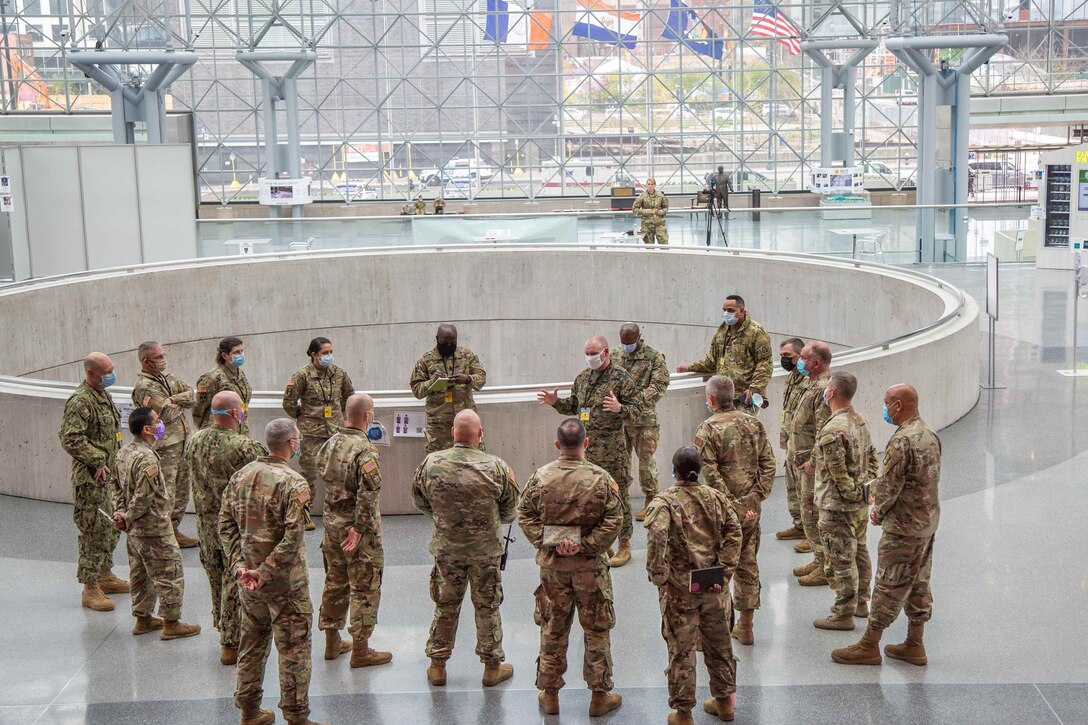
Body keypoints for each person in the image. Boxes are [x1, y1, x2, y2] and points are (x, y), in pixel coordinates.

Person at [219, 419, 324, 725]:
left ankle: (249, 711)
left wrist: (240, 567)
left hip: (248, 581)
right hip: (285, 583)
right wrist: (265, 571)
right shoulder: (294, 483)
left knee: (252, 642)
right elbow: (293, 538)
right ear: (292, 444)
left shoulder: (240, 477)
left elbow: (225, 526)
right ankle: (296, 716)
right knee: (294, 647)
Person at [518, 419, 624, 717]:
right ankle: (599, 698)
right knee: (597, 631)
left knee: (553, 628)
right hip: (591, 571)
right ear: (586, 443)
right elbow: (615, 520)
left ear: (557, 445)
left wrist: (552, 541)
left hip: (553, 570)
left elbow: (524, 515)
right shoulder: (602, 479)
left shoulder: (540, 477)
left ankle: (550, 695)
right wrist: (585, 544)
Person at [833, 384, 941, 666]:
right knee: (918, 581)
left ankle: (869, 644)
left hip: (903, 527)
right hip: (926, 523)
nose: (884, 408)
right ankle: (915, 643)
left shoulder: (902, 441)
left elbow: (890, 485)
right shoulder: (929, 434)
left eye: (885, 403)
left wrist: (878, 511)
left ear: (898, 405)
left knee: (888, 584)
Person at [412, 410, 519, 687]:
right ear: (480, 434)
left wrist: (446, 519)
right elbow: (509, 511)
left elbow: (421, 502)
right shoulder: (496, 466)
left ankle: (437, 666)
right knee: (487, 607)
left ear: (452, 433)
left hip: (447, 549)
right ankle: (492, 667)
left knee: (445, 605)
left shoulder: (431, 463)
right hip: (486, 552)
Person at [644, 446, 743, 725]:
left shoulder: (664, 503)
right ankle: (725, 704)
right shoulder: (717, 498)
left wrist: (660, 578)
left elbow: (656, 539)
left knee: (682, 650)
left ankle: (684, 713)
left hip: (680, 591)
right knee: (720, 645)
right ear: (699, 470)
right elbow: (735, 532)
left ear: (673, 470)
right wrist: (723, 574)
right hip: (714, 587)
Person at [537, 336, 644, 567]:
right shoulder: (583, 378)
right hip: (586, 452)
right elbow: (574, 406)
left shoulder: (622, 378)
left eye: (593, 353)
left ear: (605, 352)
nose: (589, 358)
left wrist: (621, 408)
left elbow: (639, 411)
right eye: (586, 353)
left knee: (618, 498)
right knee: (591, 499)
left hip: (613, 450)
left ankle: (625, 544)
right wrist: (556, 402)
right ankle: (603, 545)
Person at [184, 391, 267, 665]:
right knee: (235, 579)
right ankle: (231, 643)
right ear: (234, 414)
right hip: (234, 526)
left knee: (215, 575)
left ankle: (221, 625)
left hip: (206, 523)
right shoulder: (244, 446)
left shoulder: (194, 441)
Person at [694, 376, 776, 646]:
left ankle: (716, 627)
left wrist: (731, 504)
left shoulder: (707, 430)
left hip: (721, 513)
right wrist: (754, 499)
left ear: (711, 400)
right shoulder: (754, 423)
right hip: (752, 511)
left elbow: (710, 473)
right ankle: (747, 626)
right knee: (747, 564)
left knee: (714, 565)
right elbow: (769, 463)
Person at [315, 393, 393, 669]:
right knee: (364, 585)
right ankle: (361, 649)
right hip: (358, 531)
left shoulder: (330, 443)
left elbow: (322, 474)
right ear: (368, 416)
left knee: (335, 581)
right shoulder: (365, 449)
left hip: (332, 525)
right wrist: (359, 529)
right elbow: (368, 492)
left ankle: (332, 640)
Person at [111, 406, 202, 640]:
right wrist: (129, 515)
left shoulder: (123, 453)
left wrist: (121, 513)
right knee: (169, 573)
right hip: (154, 527)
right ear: (147, 429)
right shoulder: (148, 458)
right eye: (157, 421)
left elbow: (115, 486)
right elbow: (144, 495)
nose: (161, 424)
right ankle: (172, 624)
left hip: (134, 530)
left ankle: (143, 619)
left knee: (140, 573)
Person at [59, 352, 129, 611]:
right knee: (93, 531)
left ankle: (105, 575)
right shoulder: (81, 401)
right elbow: (70, 438)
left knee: (110, 527)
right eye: (107, 371)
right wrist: (97, 460)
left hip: (107, 476)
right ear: (91, 373)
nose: (112, 374)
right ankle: (90, 588)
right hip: (90, 479)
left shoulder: (101, 394)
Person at [811, 372, 876, 631]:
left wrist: (850, 495)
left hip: (836, 506)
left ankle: (843, 613)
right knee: (860, 551)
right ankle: (862, 602)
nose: (824, 390)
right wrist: (865, 493)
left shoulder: (831, 429)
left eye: (827, 387)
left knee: (839, 558)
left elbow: (837, 475)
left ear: (833, 392)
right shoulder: (859, 421)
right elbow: (873, 459)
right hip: (860, 502)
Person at [281, 336, 355, 529]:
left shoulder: (339, 373)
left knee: (339, 474)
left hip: (336, 433)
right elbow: (288, 402)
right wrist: (303, 417)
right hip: (312, 434)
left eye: (331, 352)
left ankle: (340, 512)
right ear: (314, 354)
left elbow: (349, 396)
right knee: (309, 476)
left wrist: (345, 418)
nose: (329, 356)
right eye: (325, 353)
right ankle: (304, 515)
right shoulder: (302, 376)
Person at [131, 341, 199, 548]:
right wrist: (175, 403)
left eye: (163, 355)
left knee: (181, 491)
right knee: (165, 492)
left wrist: (172, 399)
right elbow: (165, 413)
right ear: (146, 361)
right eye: (159, 357)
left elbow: (193, 396)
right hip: (165, 446)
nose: (163, 359)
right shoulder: (144, 387)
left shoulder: (167, 378)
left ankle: (174, 530)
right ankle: (162, 535)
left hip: (182, 442)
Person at [677, 295, 772, 416]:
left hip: (745, 397)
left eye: (731, 310)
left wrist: (755, 389)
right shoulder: (722, 331)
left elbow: (764, 364)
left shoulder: (756, 332)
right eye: (724, 310)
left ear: (741, 311)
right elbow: (712, 361)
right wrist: (689, 368)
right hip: (723, 398)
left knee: (743, 432)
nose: (726, 313)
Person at [612, 323, 670, 521]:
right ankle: (620, 501)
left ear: (638, 338)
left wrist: (635, 401)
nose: (626, 346)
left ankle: (652, 501)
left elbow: (659, 385)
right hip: (619, 420)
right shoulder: (616, 355)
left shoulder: (654, 357)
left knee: (646, 463)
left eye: (629, 342)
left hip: (644, 421)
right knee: (620, 462)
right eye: (623, 342)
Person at [788, 341, 834, 586]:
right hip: (802, 461)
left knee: (813, 515)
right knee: (808, 515)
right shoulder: (809, 383)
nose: (800, 362)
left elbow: (824, 431)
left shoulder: (824, 388)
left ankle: (826, 566)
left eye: (804, 358)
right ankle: (819, 559)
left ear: (816, 363)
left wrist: (813, 461)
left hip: (812, 465)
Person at [409, 324, 487, 454]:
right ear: (437, 338)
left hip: (466, 424)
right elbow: (417, 390)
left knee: (474, 463)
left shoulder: (467, 356)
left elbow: (481, 378)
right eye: (445, 342)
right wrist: (432, 382)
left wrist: (468, 379)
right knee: (439, 468)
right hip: (439, 428)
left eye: (453, 342)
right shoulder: (425, 361)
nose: (449, 346)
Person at [775, 337, 808, 542]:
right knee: (793, 488)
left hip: (805, 444)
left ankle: (811, 535)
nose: (784, 360)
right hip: (791, 443)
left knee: (807, 492)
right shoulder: (791, 379)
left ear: (800, 355)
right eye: (781, 356)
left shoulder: (809, 382)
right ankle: (799, 525)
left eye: (788, 356)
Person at [193, 337, 253, 436]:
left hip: (240, 430)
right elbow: (199, 409)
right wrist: (205, 433)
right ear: (225, 355)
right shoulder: (211, 378)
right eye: (236, 352)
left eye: (242, 351)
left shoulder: (240, 374)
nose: (241, 355)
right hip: (219, 434)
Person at [631, 177, 669, 245]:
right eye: (649, 184)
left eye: (652, 184)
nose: (650, 186)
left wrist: (663, 211)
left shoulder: (660, 195)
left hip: (659, 224)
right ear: (646, 185)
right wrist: (644, 211)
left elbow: (666, 207)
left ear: (655, 185)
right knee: (649, 245)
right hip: (647, 225)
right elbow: (634, 209)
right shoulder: (642, 196)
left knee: (664, 243)